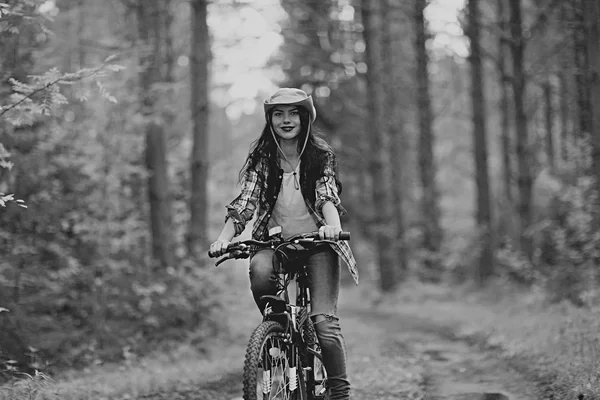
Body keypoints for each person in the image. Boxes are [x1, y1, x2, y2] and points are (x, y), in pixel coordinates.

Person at [209, 87, 359, 400]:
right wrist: (224, 239)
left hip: (317, 243)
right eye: (279, 114)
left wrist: (333, 228)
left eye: (293, 113)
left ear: (305, 118)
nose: (286, 120)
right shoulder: (263, 161)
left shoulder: (320, 157)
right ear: (270, 120)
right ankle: (276, 331)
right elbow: (244, 204)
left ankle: (340, 393)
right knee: (260, 272)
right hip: (275, 242)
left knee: (324, 324)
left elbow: (326, 195)